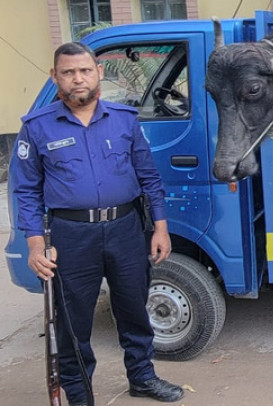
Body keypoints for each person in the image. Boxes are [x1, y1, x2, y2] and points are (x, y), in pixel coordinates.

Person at [14, 42, 184, 405]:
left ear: (98, 72)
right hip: (70, 236)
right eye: (69, 72)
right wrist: (34, 245)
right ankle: (79, 394)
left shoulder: (124, 119)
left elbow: (149, 178)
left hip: (125, 229)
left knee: (134, 311)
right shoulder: (37, 127)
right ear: (54, 76)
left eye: (85, 70)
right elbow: (26, 191)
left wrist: (160, 227)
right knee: (73, 323)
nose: (78, 79)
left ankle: (142, 376)